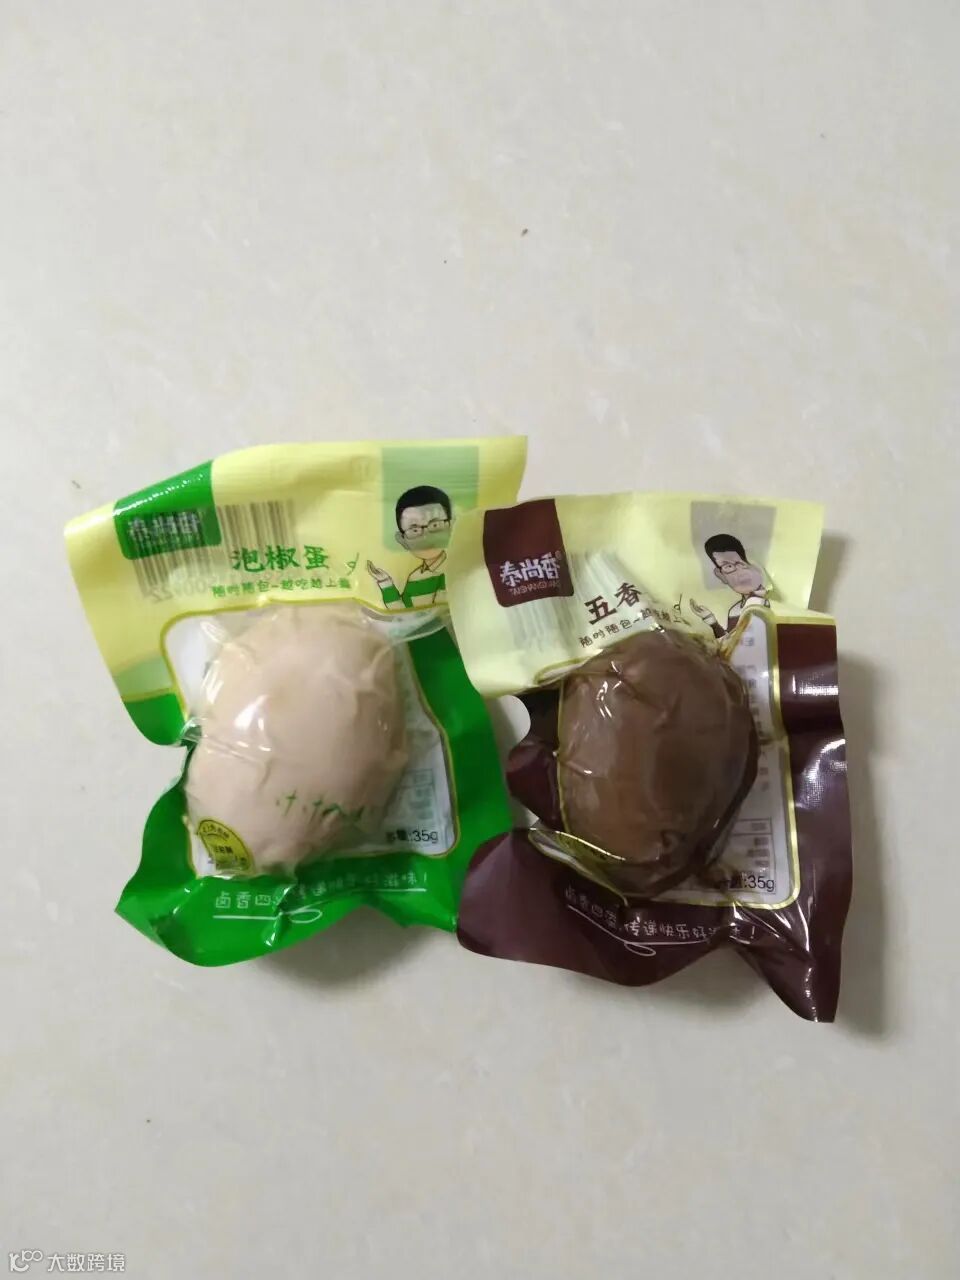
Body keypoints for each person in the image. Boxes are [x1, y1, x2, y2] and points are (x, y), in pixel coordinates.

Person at [367, 484, 452, 610]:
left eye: (435, 525)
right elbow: (402, 610)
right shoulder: (415, 577)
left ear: (451, 526)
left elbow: (440, 614)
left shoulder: (452, 571)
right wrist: (385, 581)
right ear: (403, 540)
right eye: (415, 530)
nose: (426, 537)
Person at [690, 533, 769, 639]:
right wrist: (711, 620)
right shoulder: (735, 610)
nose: (740, 572)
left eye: (741, 563)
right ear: (721, 575)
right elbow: (728, 642)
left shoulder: (763, 604)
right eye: (729, 566)